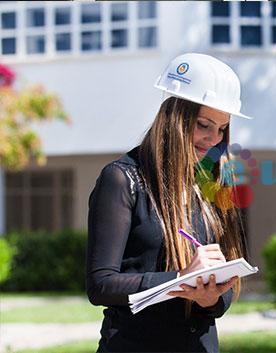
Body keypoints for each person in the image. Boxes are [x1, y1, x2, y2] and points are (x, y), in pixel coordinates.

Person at [86, 53, 252, 353]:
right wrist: (179, 280)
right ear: (174, 116)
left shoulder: (212, 183)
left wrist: (210, 297)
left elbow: (223, 295)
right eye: (204, 124)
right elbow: (101, 285)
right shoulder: (122, 179)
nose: (213, 139)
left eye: (222, 128)